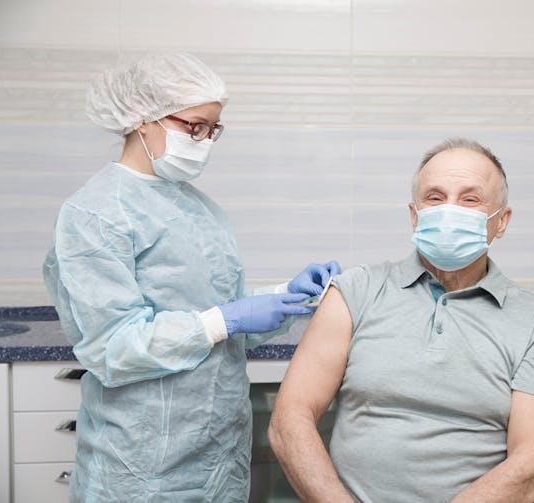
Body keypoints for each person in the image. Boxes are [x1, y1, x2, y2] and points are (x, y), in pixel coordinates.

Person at [42, 52, 340, 502]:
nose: (203, 140)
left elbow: (223, 312)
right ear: (143, 118)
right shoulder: (96, 214)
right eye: (193, 126)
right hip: (140, 466)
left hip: (218, 459)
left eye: (212, 130)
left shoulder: (200, 209)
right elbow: (112, 347)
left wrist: (285, 295)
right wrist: (227, 318)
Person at [268, 138, 534, 503]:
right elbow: (290, 421)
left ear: (501, 222)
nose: (449, 210)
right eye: (435, 197)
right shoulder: (356, 292)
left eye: (470, 199)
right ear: (415, 215)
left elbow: (532, 470)